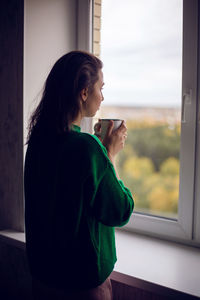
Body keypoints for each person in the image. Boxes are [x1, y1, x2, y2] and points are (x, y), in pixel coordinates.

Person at [24, 50, 134, 300]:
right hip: (81, 286)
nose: (102, 96)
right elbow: (121, 210)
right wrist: (109, 154)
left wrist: (98, 152)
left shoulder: (39, 142)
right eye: (100, 88)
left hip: (43, 280)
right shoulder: (88, 147)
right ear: (84, 92)